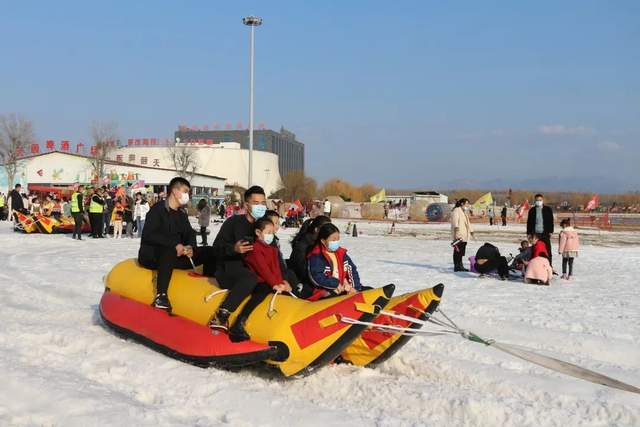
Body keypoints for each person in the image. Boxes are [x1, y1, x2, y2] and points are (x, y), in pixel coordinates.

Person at [138, 177, 215, 312]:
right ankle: (161, 296)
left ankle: (210, 287)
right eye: (185, 191)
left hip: (177, 255)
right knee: (168, 250)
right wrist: (174, 245)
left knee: (209, 251)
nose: (187, 196)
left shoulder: (181, 213)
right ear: (174, 191)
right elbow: (149, 235)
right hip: (153, 256)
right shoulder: (157, 210)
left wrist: (191, 247)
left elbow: (189, 233)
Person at [210, 185, 269, 340]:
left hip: (252, 271)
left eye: (263, 203)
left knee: (266, 283)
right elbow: (216, 249)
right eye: (256, 203)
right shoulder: (233, 222)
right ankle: (221, 314)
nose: (260, 207)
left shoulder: (264, 227)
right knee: (250, 278)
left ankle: (240, 322)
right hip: (229, 270)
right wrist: (234, 249)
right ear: (246, 204)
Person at [307, 223, 362, 297]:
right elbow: (317, 276)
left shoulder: (341, 253)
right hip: (325, 292)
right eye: (333, 240)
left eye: (338, 239)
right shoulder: (317, 256)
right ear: (323, 241)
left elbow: (352, 270)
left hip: (343, 289)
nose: (336, 242)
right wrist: (335, 284)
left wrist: (354, 288)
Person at [289, 215, 332, 284]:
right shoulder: (303, 244)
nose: (330, 232)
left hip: (318, 277)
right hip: (302, 281)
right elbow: (301, 269)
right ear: (316, 230)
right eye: (327, 229)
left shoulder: (322, 243)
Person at [527, 194, 555, 267]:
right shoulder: (532, 210)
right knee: (534, 250)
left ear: (542, 200)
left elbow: (551, 221)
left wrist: (551, 231)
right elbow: (529, 222)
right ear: (535, 201)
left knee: (548, 250)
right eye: (537, 200)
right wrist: (529, 233)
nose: (538, 201)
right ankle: (534, 266)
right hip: (535, 234)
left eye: (540, 200)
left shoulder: (548, 209)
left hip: (545, 233)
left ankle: (549, 267)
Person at [451, 198, 474, 272]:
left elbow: (468, 223)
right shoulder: (456, 210)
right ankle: (457, 266)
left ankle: (460, 265)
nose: (467, 205)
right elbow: (455, 222)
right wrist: (456, 232)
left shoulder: (464, 212)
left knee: (461, 251)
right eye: (466, 203)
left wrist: (471, 231)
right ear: (462, 203)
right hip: (459, 234)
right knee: (457, 251)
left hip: (464, 234)